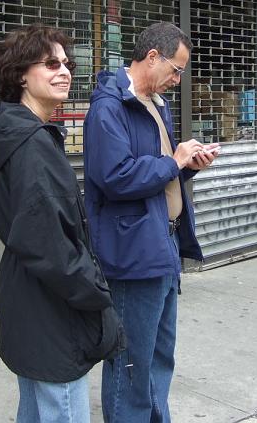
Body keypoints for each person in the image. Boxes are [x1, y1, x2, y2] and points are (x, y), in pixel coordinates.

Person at [0, 25, 125, 423]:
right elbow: (49, 243)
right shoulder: (31, 145)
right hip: (52, 304)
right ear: (22, 75)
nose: (64, 71)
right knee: (61, 407)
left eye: (67, 63)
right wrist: (95, 292)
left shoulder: (16, 133)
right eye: (51, 63)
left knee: (37, 409)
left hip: (29, 293)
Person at [83, 22, 219, 423]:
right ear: (153, 57)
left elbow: (158, 173)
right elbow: (115, 177)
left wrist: (187, 166)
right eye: (175, 70)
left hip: (163, 243)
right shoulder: (109, 107)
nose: (178, 80)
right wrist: (173, 161)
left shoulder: (156, 104)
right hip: (134, 251)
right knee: (131, 360)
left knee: (160, 354)